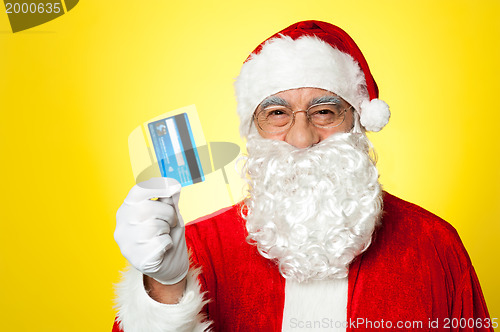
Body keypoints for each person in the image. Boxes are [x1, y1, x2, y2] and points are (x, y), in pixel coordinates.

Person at [112, 21, 493, 332]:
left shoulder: (434, 246)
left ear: (357, 123)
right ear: (253, 130)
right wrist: (165, 285)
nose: (301, 138)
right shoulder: (196, 250)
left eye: (324, 111)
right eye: (277, 114)